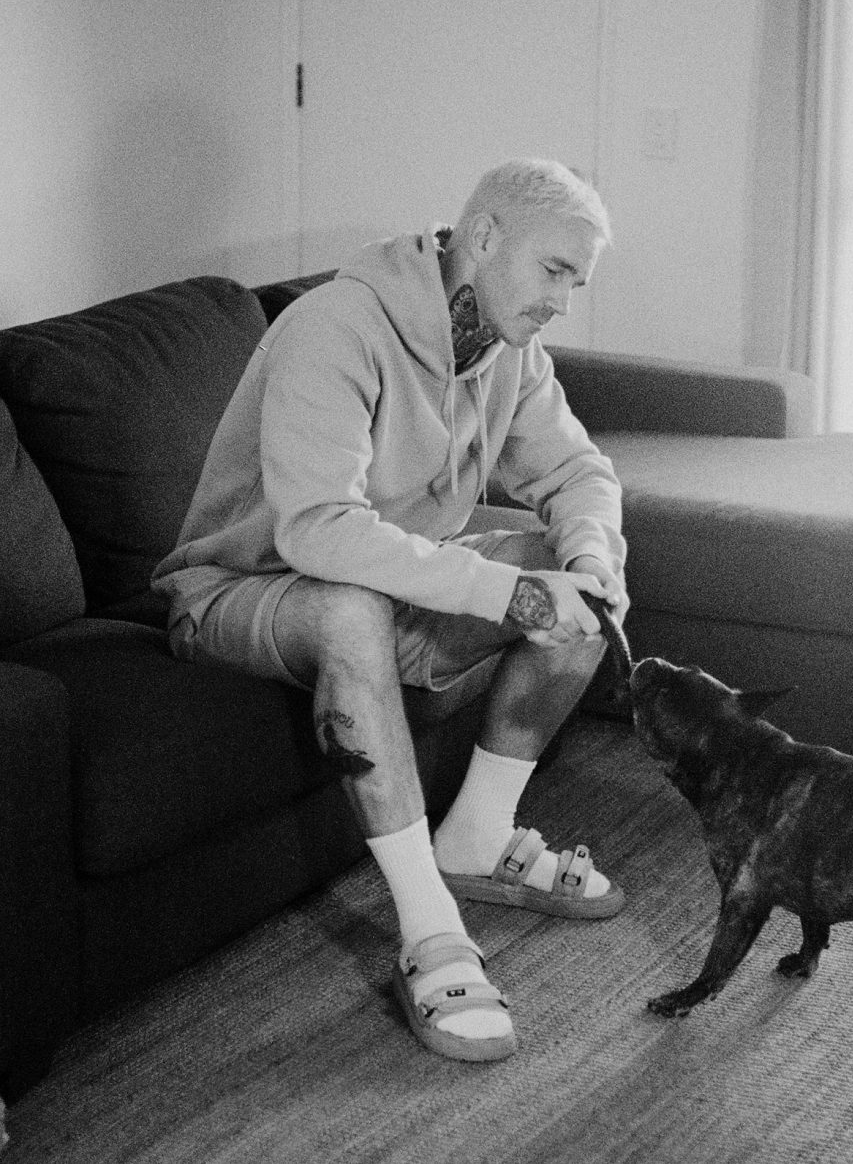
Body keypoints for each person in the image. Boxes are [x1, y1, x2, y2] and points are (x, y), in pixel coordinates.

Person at [152, 159, 627, 1063]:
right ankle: (429, 928)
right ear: (485, 236)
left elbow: (577, 473)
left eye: (578, 282)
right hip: (235, 590)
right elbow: (319, 532)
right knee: (350, 608)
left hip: (384, 586)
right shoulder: (337, 325)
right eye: (556, 270)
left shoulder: (508, 350)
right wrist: (508, 592)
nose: (564, 302)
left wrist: (589, 563)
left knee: (575, 584)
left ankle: (477, 838)